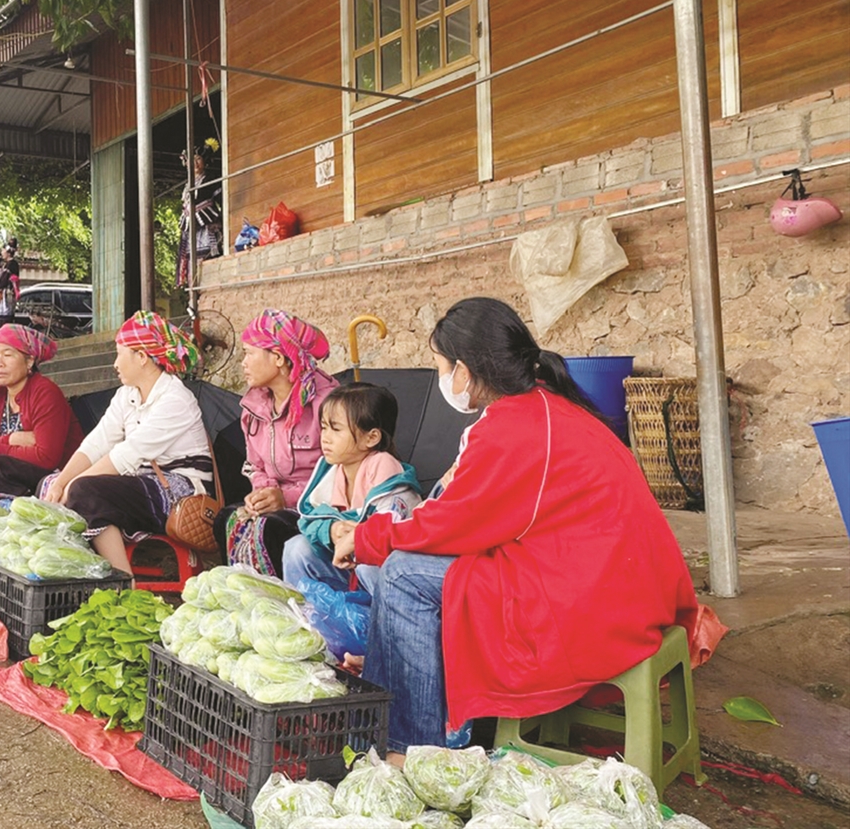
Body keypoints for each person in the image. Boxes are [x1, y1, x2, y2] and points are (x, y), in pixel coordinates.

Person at [342, 297, 701, 762]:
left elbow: (455, 524)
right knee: (413, 574)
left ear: (466, 371)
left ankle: (407, 752)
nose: (441, 379)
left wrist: (369, 537)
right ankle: (396, 699)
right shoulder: (547, 406)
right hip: (615, 581)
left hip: (593, 602)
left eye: (440, 367)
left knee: (403, 575)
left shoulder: (517, 426)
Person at [44, 312, 213, 574]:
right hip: (141, 480)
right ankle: (95, 570)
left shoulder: (175, 399)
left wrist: (73, 486)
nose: (115, 363)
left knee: (85, 491)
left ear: (142, 357)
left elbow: (126, 455)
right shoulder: (127, 395)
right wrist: (60, 482)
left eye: (120, 354)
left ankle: (121, 579)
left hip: (180, 491)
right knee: (50, 485)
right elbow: (98, 441)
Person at [215, 309, 338, 577]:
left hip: (318, 509)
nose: (243, 363)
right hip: (277, 504)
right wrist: (262, 494)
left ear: (279, 358)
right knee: (227, 519)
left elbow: (339, 472)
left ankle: (284, 604)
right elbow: (255, 464)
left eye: (249, 353)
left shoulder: (328, 404)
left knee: (269, 528)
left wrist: (286, 498)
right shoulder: (254, 406)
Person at [281, 382, 421, 592]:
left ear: (371, 437)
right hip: (346, 564)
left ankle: (386, 621)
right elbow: (309, 518)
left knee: (368, 564)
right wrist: (331, 529)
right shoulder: (332, 469)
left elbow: (390, 526)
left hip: (385, 571)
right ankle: (304, 617)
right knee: (296, 548)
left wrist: (356, 536)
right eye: (324, 427)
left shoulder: (382, 465)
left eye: (336, 429)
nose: (325, 437)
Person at [0, 324, 84, 496]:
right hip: (12, 470)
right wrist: (15, 439)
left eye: (7, 355)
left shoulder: (45, 392)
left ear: (29, 361)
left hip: (54, 474)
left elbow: (46, 457)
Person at [177, 145, 223, 289]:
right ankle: (193, 291)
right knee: (191, 260)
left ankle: (209, 287)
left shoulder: (210, 179)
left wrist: (220, 220)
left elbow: (222, 200)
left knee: (207, 257)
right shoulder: (187, 184)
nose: (195, 163)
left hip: (207, 225)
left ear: (205, 161)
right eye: (191, 160)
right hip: (191, 228)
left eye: (198, 159)